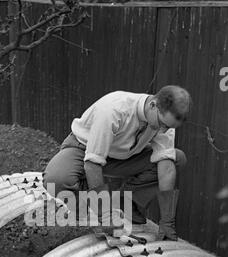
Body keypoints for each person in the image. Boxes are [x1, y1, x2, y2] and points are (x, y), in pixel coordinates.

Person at [43, 85, 191, 239]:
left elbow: (166, 168)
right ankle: (88, 209)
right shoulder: (114, 109)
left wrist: (167, 222)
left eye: (169, 127)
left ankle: (126, 203)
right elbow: (92, 164)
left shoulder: (163, 122)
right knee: (56, 179)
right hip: (83, 149)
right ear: (153, 105)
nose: (164, 130)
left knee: (176, 159)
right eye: (162, 124)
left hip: (123, 157)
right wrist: (105, 215)